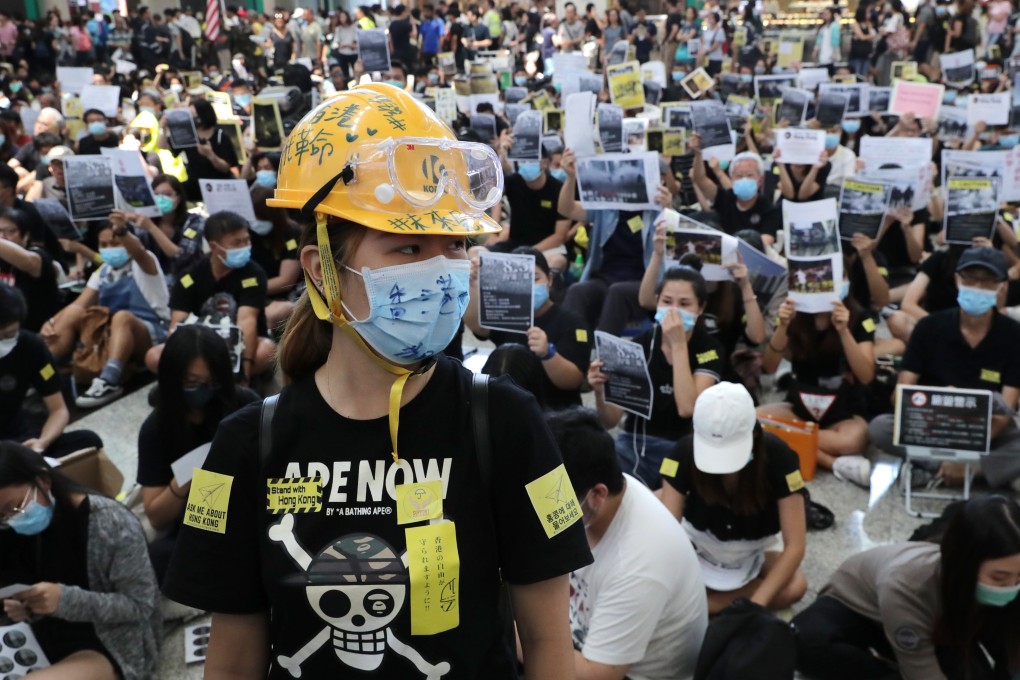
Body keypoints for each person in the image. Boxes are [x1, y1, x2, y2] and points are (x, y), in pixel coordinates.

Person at [162, 83, 592, 678]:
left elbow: (549, 649)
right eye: (408, 246)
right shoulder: (244, 446)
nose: (440, 274)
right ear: (324, 271)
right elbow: (232, 660)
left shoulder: (508, 422)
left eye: (454, 247)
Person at [547, 407, 709, 680]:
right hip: (587, 637)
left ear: (598, 494)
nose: (546, 510)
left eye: (553, 499)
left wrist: (516, 628)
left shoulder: (637, 563)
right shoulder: (609, 493)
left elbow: (596, 674)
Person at [794, 495, 1020, 680]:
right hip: (860, 608)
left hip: (940, 623)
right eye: (999, 577)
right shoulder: (908, 587)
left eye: (1019, 576)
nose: (1010, 587)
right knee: (805, 641)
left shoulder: (1008, 577)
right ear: (964, 565)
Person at [0, 441, 161, 680]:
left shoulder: (110, 522)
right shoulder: (14, 529)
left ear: (43, 481)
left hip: (107, 642)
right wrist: (26, 607)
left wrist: (64, 600)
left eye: (15, 507)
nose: (12, 519)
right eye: (3, 516)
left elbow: (140, 606)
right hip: (45, 632)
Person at [869, 247, 1020, 493]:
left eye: (987, 281)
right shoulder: (929, 328)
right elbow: (900, 395)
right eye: (970, 279)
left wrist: (970, 445)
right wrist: (935, 404)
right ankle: (971, 470)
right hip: (931, 423)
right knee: (880, 427)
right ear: (957, 280)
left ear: (1002, 287)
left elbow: (1006, 410)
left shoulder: (1014, 336)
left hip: (986, 428)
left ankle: (953, 468)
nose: (978, 287)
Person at [660, 382, 809, 615]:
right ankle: (714, 603)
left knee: (796, 586)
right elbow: (666, 536)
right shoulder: (682, 453)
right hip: (697, 543)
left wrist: (755, 605)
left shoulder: (780, 458)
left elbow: (795, 546)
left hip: (757, 549)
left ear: (754, 433)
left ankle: (708, 605)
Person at [137, 324, 259, 583]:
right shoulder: (156, 429)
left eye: (211, 382)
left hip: (249, 505)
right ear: (173, 378)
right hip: (199, 517)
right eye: (192, 382)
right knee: (155, 560)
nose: (203, 390)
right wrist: (189, 475)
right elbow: (157, 517)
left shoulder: (243, 404)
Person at [589, 265, 724, 489]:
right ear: (657, 302)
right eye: (667, 301)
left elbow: (687, 408)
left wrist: (679, 345)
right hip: (633, 445)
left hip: (683, 448)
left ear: (701, 308)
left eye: (684, 304)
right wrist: (600, 390)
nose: (673, 310)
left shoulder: (710, 349)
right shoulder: (640, 344)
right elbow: (609, 420)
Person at [757, 281, 875, 486]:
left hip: (843, 411)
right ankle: (833, 462)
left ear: (846, 280)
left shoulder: (860, 317)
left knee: (854, 440)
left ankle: (787, 444)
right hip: (799, 408)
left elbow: (866, 376)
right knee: (752, 422)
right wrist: (783, 326)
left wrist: (844, 331)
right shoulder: (795, 315)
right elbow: (768, 367)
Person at [43, 221, 170, 409]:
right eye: (104, 245)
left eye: (115, 242)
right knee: (72, 312)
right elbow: (79, 305)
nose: (109, 249)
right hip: (110, 336)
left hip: (150, 334)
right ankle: (40, 369)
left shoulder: (144, 262)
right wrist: (51, 322)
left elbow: (140, 252)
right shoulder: (102, 271)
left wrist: (122, 231)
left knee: (122, 317)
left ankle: (109, 381)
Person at [145, 211, 276, 383]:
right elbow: (177, 324)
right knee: (154, 357)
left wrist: (245, 369)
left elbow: (247, 321)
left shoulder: (254, 273)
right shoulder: (189, 277)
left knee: (267, 351)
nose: (245, 247)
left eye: (246, 240)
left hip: (242, 345)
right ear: (214, 247)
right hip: (200, 346)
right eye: (237, 243)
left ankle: (216, 380)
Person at [557, 148, 673, 334]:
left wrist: (668, 212)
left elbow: (671, 249)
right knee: (578, 291)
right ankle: (573, 349)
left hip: (643, 284)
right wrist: (571, 178)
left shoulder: (661, 212)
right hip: (605, 278)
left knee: (618, 292)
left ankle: (604, 355)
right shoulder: (608, 206)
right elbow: (567, 209)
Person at [467, 247, 592, 410]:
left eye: (534, 278)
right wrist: (472, 284)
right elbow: (478, 326)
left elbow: (573, 381)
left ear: (549, 279)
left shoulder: (572, 322)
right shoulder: (506, 312)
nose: (527, 286)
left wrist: (548, 354)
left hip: (556, 411)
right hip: (511, 407)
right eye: (517, 280)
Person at [489, 150, 571, 270]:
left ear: (544, 162)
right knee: (477, 253)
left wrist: (528, 253)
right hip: (514, 244)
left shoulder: (559, 190)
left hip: (548, 248)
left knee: (557, 262)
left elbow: (560, 236)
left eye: (531, 160)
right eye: (523, 160)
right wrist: (493, 231)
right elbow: (492, 193)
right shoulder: (513, 181)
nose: (526, 164)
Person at [689, 141, 781, 246]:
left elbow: (765, 242)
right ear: (731, 179)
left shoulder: (769, 210)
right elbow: (700, 179)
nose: (744, 179)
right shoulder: (725, 198)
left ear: (760, 180)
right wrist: (698, 154)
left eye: (749, 175)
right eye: (739, 176)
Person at [130, 174, 206, 284]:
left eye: (167, 194)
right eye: (156, 194)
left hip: (189, 281)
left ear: (178, 197)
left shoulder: (194, 221)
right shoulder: (144, 222)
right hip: (155, 282)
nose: (161, 199)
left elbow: (181, 255)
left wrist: (151, 227)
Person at [160, 99, 239, 202]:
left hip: (218, 187)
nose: (192, 118)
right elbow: (162, 146)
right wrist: (162, 128)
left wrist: (211, 155)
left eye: (194, 115)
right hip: (194, 187)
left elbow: (225, 168)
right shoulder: (187, 135)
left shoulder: (220, 136)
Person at [0, 206, 60, 332]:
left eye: (10, 231)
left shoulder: (39, 255)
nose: (2, 237)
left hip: (34, 331)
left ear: (25, 236)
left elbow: (28, 262)